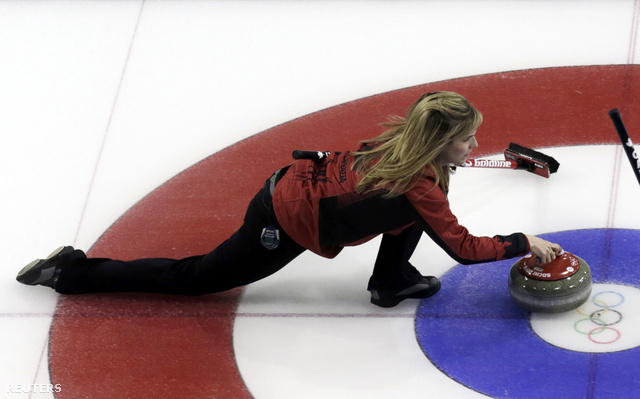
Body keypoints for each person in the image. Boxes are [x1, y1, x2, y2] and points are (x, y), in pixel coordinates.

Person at [16, 91, 562, 308]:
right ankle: (75, 272)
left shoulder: (409, 151)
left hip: (305, 187)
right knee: (197, 278)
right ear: (439, 141)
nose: (475, 147)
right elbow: (464, 250)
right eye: (467, 140)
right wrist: (522, 242)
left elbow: (416, 205)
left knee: (413, 212)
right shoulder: (416, 183)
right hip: (282, 216)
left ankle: (390, 281)